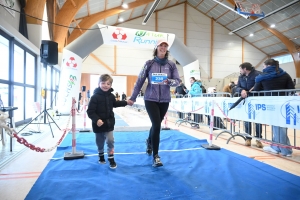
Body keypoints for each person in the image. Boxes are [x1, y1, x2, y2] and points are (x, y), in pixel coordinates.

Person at [127, 40, 180, 167]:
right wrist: (133, 98)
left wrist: (169, 82)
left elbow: (178, 81)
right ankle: (156, 156)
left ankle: (149, 141)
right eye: (160, 45)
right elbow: (139, 81)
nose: (163, 48)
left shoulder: (171, 65)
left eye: (165, 46)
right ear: (156, 48)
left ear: (167, 49)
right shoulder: (149, 64)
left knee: (156, 124)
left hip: (165, 100)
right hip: (150, 99)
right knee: (157, 125)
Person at [253, 59, 295, 156]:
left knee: (277, 126)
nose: (263, 68)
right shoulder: (285, 74)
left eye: (263, 66)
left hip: (270, 103)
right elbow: (291, 89)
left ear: (267, 66)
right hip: (284, 103)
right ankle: (275, 147)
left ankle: (286, 150)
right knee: (280, 126)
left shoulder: (261, 76)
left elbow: (256, 90)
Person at [87, 74, 129, 169]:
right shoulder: (95, 97)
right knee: (100, 141)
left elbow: (115, 104)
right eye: (103, 83)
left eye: (108, 83)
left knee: (110, 140)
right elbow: (90, 111)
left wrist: (126, 102)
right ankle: (101, 155)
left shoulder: (111, 96)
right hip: (98, 125)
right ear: (98, 84)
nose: (106, 85)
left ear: (111, 85)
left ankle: (111, 158)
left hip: (109, 123)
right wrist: (96, 119)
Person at [235, 62, 263, 148]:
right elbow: (237, 87)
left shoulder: (258, 74)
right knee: (247, 120)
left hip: (257, 100)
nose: (240, 71)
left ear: (245, 69)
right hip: (246, 101)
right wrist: (241, 90)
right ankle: (248, 138)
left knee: (258, 120)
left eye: (240, 69)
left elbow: (261, 86)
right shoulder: (241, 76)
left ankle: (258, 139)